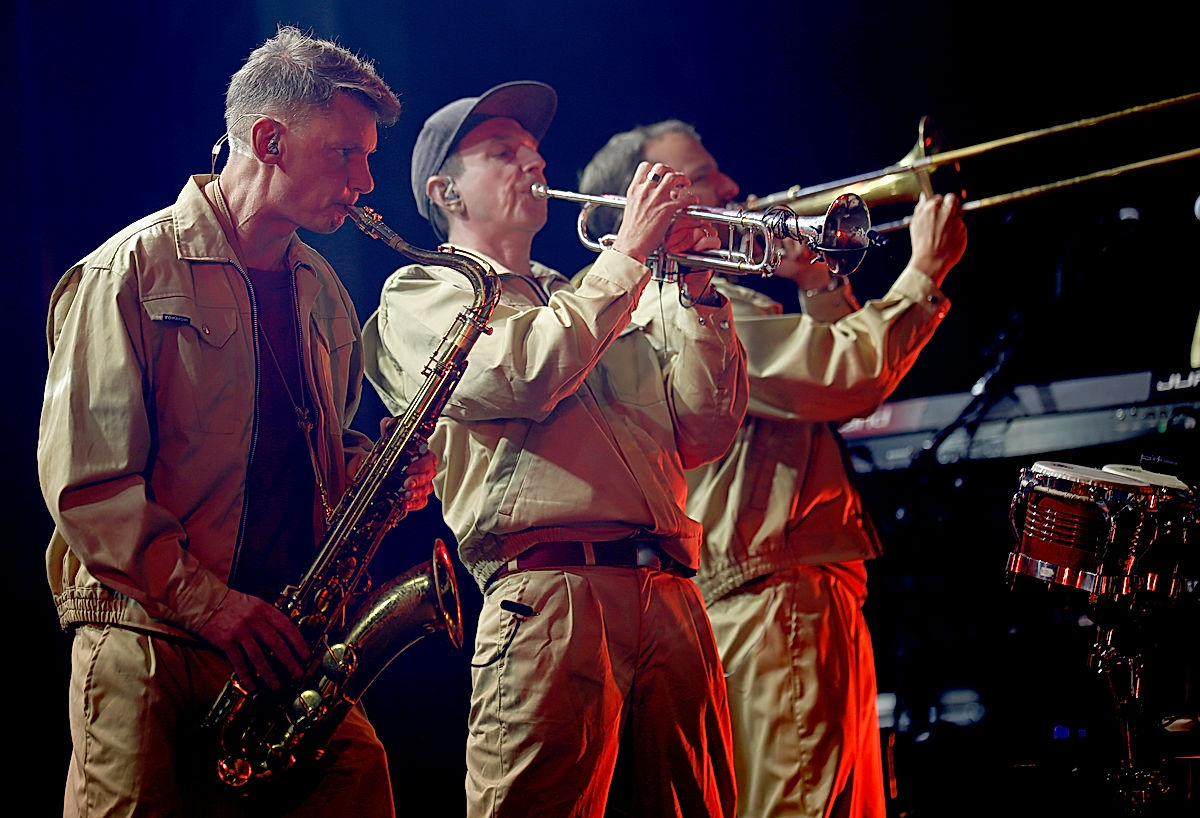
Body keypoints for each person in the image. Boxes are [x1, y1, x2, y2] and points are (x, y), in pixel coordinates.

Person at [36, 26, 434, 818]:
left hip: (277, 643)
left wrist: (374, 477)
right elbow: (88, 488)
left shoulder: (322, 288)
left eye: (368, 158)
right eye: (346, 154)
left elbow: (308, 451)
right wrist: (213, 607)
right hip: (150, 636)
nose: (363, 180)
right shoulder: (129, 269)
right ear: (269, 139)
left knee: (363, 779)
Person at [361, 82, 747, 818]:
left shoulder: (592, 292)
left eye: (533, 148)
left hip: (671, 592)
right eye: (502, 153)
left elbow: (702, 432)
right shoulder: (421, 292)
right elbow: (518, 376)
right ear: (447, 192)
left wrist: (695, 289)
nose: (531, 161)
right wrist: (630, 256)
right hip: (550, 594)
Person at [580, 119, 967, 818]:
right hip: (771, 594)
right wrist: (923, 274)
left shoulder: (725, 303)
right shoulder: (678, 304)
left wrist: (818, 281)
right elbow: (846, 373)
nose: (731, 188)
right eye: (700, 178)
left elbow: (831, 394)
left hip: (793, 587)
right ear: (645, 206)